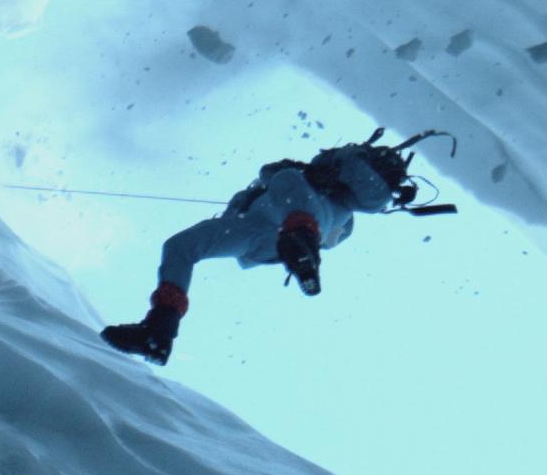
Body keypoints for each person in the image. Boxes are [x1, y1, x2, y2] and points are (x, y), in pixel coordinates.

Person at [102, 128, 450, 364]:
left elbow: (273, 174)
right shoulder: (348, 216)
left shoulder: (298, 178)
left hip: (263, 234)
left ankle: (300, 244)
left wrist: (291, 184)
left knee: (185, 246)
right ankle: (159, 331)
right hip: (277, 238)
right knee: (180, 244)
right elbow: (337, 236)